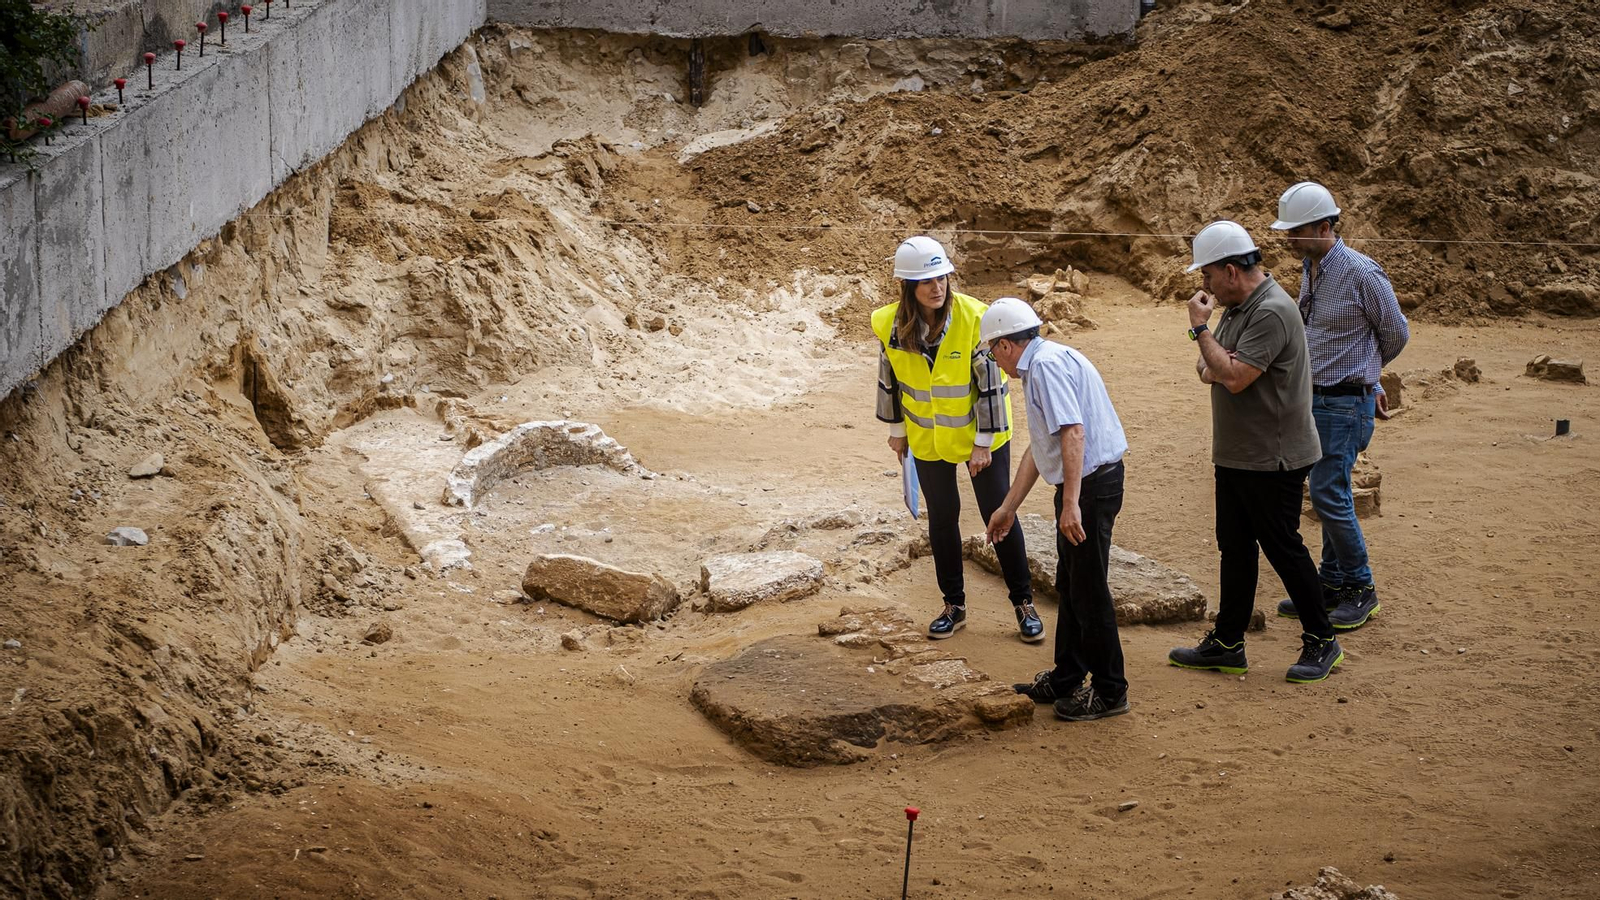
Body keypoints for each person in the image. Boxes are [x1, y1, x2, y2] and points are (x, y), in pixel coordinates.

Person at [1168, 221, 1344, 684]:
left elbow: (1234, 375)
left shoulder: (1269, 311)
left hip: (1274, 456)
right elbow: (1212, 366)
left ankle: (1322, 640)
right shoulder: (1240, 306)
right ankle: (1227, 642)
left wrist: (1200, 332)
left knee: (1283, 547)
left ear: (1230, 270)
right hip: (1241, 453)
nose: (1204, 286)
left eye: (1207, 275)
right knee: (1235, 546)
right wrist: (1215, 358)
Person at [873, 237, 1041, 642]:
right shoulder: (891, 324)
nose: (938, 287)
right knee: (942, 519)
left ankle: (1024, 602)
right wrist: (897, 432)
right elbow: (888, 378)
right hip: (926, 438)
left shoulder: (974, 319)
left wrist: (983, 441)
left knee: (998, 515)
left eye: (942, 277)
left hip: (979, 438)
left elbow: (992, 386)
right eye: (927, 280)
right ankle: (954, 605)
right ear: (908, 287)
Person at [981, 298, 1131, 722]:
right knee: (1072, 582)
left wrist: (1070, 505)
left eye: (993, 350)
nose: (995, 359)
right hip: (1087, 483)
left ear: (1007, 345)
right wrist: (1007, 508)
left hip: (1089, 487)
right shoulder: (1047, 360)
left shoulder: (1044, 368)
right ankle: (1067, 675)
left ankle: (1110, 690)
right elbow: (1043, 446)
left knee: (1088, 588)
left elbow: (1074, 433)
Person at [1269, 182, 1410, 630]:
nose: (1288, 240)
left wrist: (1368, 376)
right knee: (1332, 493)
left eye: (1296, 231)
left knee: (1329, 496)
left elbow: (1396, 332)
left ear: (1325, 226)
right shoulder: (1312, 268)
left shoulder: (1361, 272)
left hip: (1344, 403)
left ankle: (1360, 588)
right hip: (1320, 400)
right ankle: (1330, 584)